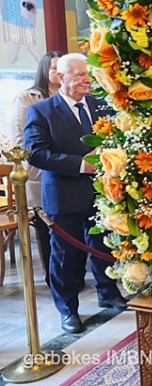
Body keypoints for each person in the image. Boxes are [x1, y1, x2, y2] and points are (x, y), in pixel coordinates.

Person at [24, 53, 127, 334]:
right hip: (64, 194)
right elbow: (36, 153)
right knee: (65, 256)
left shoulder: (100, 105)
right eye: (79, 74)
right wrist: (82, 165)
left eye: (88, 74)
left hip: (101, 192)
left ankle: (108, 292)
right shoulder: (42, 111)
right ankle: (68, 309)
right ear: (61, 77)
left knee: (103, 245)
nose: (86, 80)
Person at [12, 51, 63, 286]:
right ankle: (53, 276)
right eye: (54, 68)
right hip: (40, 173)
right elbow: (21, 140)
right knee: (48, 230)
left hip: (71, 169)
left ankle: (72, 275)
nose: (59, 73)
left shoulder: (73, 96)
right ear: (45, 70)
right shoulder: (29, 98)